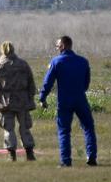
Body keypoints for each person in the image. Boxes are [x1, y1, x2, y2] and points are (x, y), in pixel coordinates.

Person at [39, 35, 97, 167]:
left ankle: (66, 161)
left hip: (64, 101)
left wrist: (42, 97)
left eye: (57, 45)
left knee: (64, 131)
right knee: (88, 128)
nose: (57, 48)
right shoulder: (83, 61)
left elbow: (48, 82)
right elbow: (86, 83)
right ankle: (91, 157)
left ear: (63, 46)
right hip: (81, 99)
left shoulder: (56, 62)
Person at [0, 41, 37, 161]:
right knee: (25, 127)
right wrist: (30, 97)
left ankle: (11, 154)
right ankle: (29, 153)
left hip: (5, 101)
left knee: (9, 128)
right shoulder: (23, 64)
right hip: (23, 101)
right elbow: (31, 84)